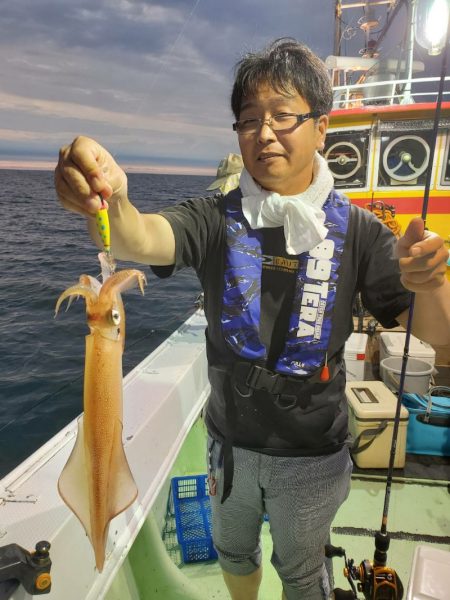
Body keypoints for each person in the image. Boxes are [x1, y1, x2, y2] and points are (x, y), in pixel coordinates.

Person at [55, 38, 450, 600]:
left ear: (321, 128)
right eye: (248, 119)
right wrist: (111, 199)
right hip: (229, 445)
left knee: (301, 568)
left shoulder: (361, 232)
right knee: (233, 550)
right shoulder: (214, 218)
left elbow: (437, 338)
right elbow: (140, 236)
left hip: (312, 453)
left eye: (283, 115)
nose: (263, 132)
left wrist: (430, 284)